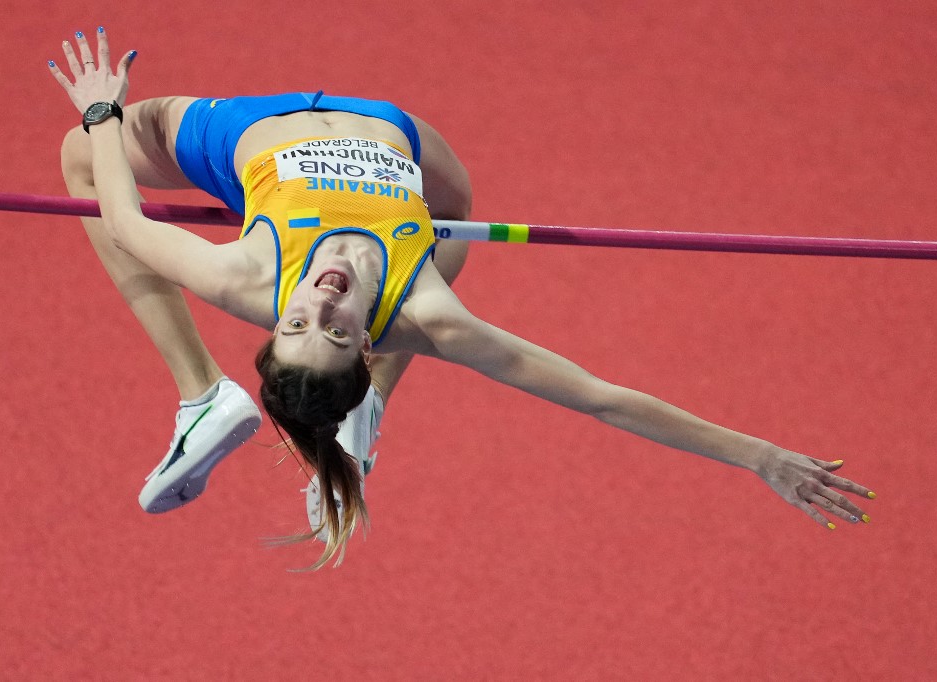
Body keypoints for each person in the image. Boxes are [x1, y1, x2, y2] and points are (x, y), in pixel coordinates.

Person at [49, 29, 875, 569]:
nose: (321, 299)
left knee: (79, 159)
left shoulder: (246, 276)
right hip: (391, 130)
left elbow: (120, 216)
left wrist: (99, 112)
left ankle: (202, 396)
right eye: (334, 330)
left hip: (245, 137)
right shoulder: (428, 314)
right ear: (365, 347)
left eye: (298, 321)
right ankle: (347, 411)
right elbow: (603, 400)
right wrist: (757, 455)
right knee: (457, 216)